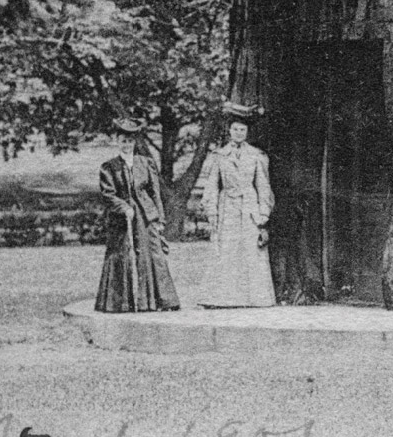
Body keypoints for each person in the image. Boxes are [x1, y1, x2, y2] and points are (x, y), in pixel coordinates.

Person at [94, 116, 180, 314]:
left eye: (130, 141)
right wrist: (124, 207)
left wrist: (159, 218)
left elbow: (155, 193)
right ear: (117, 142)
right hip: (123, 218)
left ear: (135, 142)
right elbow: (108, 194)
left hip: (146, 216)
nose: (127, 145)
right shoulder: (109, 167)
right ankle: (123, 302)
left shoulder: (146, 163)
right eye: (123, 141)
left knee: (153, 253)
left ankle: (162, 300)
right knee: (122, 254)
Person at [198, 103, 277, 308]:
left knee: (251, 251)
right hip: (228, 207)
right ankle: (222, 298)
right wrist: (212, 212)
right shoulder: (220, 156)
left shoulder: (256, 156)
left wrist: (263, 213)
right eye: (235, 129)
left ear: (247, 132)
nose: (239, 133)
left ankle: (255, 298)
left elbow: (263, 186)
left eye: (243, 130)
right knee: (227, 251)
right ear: (229, 131)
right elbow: (212, 186)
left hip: (249, 207)